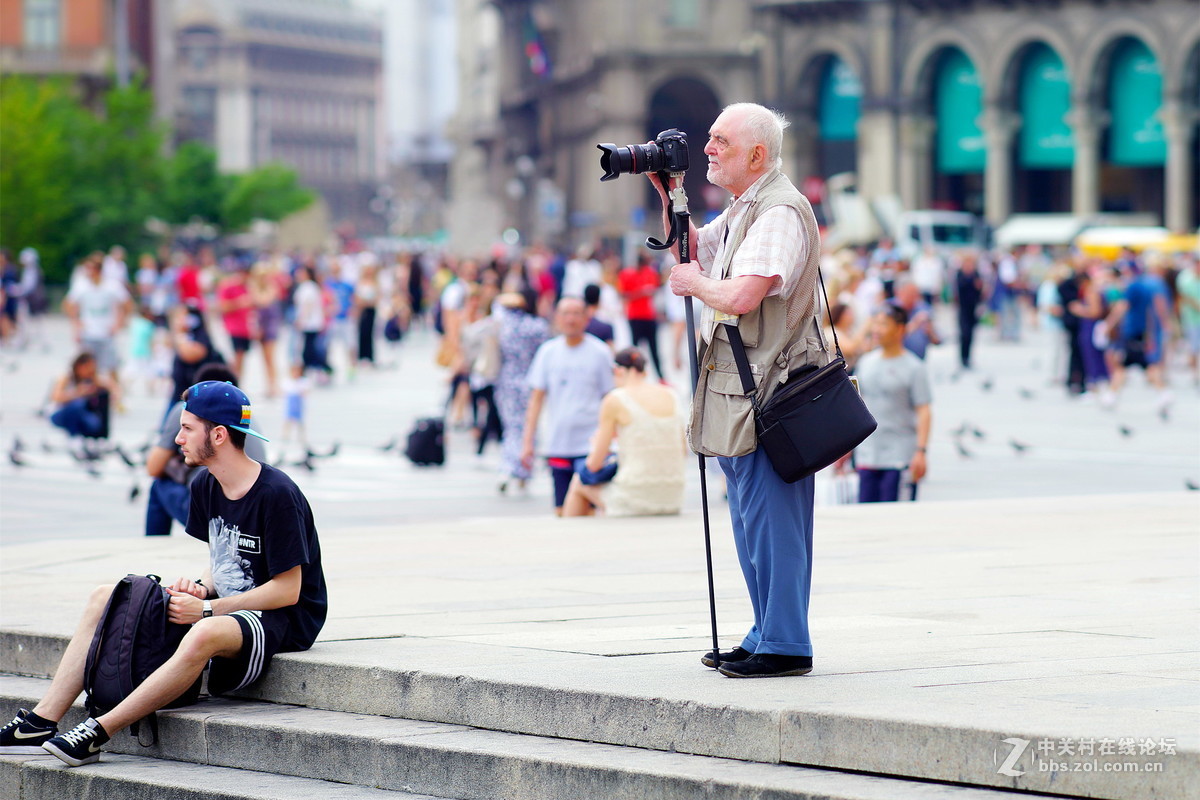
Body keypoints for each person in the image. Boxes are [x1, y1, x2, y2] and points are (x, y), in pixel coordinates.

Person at [2, 380, 327, 767]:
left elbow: (288, 591)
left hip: (282, 619)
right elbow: (223, 556)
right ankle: (40, 721)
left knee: (204, 630)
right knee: (107, 595)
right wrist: (202, 588)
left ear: (219, 435)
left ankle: (99, 730)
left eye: (188, 428)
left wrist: (207, 610)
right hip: (229, 608)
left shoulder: (277, 494)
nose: (177, 438)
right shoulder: (207, 484)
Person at [651, 102, 827, 678]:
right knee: (752, 518)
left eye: (719, 141)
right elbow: (696, 246)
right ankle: (764, 631)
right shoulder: (747, 206)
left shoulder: (777, 211)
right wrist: (668, 192)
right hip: (741, 386)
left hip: (769, 387)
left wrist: (693, 285)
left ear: (756, 153)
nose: (707, 149)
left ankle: (785, 643)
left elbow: (745, 294)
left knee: (772, 519)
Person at [144, 364, 268, 537]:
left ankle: (151, 551)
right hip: (249, 505)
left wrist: (173, 464)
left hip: (217, 509)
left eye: (187, 428)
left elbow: (153, 467)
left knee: (159, 486)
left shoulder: (189, 411)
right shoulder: (245, 417)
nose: (179, 438)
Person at [562, 348, 685, 517]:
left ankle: (570, 538)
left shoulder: (616, 398)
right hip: (674, 495)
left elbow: (594, 464)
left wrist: (595, 445)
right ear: (645, 371)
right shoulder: (672, 395)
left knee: (578, 482)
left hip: (635, 496)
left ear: (618, 371)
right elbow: (683, 451)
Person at [521, 297, 614, 514]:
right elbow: (536, 399)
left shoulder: (599, 352)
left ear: (586, 318)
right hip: (559, 443)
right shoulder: (547, 352)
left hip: (591, 447)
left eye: (576, 313)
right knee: (561, 510)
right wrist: (527, 442)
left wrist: (610, 439)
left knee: (589, 511)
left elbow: (610, 399)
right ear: (556, 317)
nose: (570, 319)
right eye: (565, 313)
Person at [853, 304, 932, 503]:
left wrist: (921, 452)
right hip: (867, 456)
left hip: (899, 459)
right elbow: (857, 405)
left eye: (884, 324)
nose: (876, 330)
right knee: (865, 519)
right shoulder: (866, 362)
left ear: (900, 329)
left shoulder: (914, 367)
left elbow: (924, 410)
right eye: (875, 324)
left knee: (895, 520)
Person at [495, 290, 550, 494]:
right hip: (531, 380)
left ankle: (508, 466)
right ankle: (524, 470)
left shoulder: (502, 327)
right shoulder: (537, 327)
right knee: (529, 426)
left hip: (507, 380)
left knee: (511, 427)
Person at [63, 254, 131, 402]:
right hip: (88, 332)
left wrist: (119, 323)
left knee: (111, 367)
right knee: (85, 367)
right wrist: (77, 323)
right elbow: (68, 304)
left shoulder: (111, 285)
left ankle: (117, 398)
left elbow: (126, 303)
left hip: (106, 333)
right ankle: (86, 396)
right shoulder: (81, 285)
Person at [49, 353, 114, 454]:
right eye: (88, 367)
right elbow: (55, 397)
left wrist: (97, 385)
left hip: (83, 416)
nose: (90, 371)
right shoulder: (67, 377)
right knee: (78, 404)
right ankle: (74, 437)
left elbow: (114, 389)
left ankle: (96, 439)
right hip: (61, 413)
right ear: (79, 366)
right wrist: (77, 393)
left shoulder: (92, 379)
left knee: (95, 422)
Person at [619, 251, 666, 379]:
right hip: (635, 316)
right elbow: (623, 295)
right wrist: (641, 292)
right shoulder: (626, 274)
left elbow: (655, 291)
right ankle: (634, 376)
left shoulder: (650, 273)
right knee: (635, 350)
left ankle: (660, 377)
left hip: (649, 316)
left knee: (654, 349)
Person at [954, 253, 985, 370]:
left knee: (971, 335)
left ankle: (968, 358)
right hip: (963, 308)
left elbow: (980, 291)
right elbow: (959, 289)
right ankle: (962, 358)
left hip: (973, 308)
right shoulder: (960, 274)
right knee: (964, 334)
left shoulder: (976, 274)